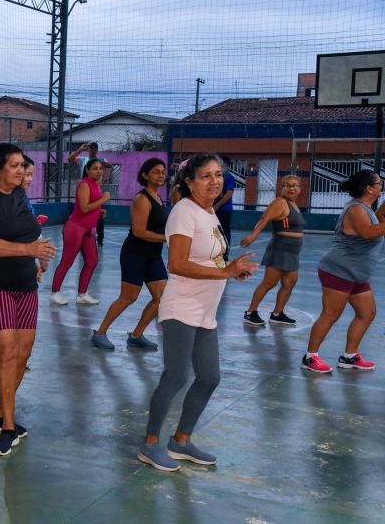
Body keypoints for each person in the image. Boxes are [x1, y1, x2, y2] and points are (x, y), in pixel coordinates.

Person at [137, 154, 258, 472]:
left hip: (205, 310)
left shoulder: (209, 213)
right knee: (176, 376)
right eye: (205, 176)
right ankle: (150, 444)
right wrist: (226, 272)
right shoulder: (183, 212)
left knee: (209, 377)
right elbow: (177, 263)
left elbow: (210, 260)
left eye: (218, 174)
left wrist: (232, 270)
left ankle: (180, 441)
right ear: (189, 182)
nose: (214, 181)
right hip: (182, 307)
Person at [0, 143, 57, 456]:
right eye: (15, 166)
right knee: (6, 349)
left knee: (23, 352)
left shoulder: (19, 195)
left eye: (23, 166)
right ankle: (7, 427)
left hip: (24, 281)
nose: (22, 171)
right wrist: (28, 251)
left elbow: (26, 232)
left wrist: (39, 256)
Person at [302, 170, 385, 374]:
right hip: (339, 269)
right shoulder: (356, 210)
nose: (382, 186)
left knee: (367, 313)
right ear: (369, 188)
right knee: (331, 314)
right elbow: (367, 233)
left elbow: (380, 218)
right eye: (379, 183)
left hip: (357, 272)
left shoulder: (367, 208)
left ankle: (350, 357)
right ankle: (310, 357)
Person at [91, 158, 169, 350]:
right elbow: (139, 232)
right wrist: (166, 238)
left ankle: (136, 335)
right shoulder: (142, 199)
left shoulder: (159, 198)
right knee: (128, 297)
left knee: (162, 297)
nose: (161, 174)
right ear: (145, 175)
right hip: (135, 254)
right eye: (156, 171)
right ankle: (99, 333)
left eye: (163, 171)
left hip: (153, 255)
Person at [241, 175, 305, 326]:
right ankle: (251, 312)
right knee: (269, 283)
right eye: (287, 185)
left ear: (300, 189)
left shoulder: (294, 205)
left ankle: (277, 313)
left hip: (293, 252)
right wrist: (252, 236)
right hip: (280, 249)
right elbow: (264, 219)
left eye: (295, 185)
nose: (291, 188)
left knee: (289, 283)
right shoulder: (280, 202)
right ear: (281, 188)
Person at [50, 158, 110, 305]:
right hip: (75, 228)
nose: (98, 171)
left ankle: (82, 294)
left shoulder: (96, 185)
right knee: (67, 261)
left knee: (92, 261)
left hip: (88, 230)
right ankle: (55, 292)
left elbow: (90, 205)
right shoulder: (84, 184)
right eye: (95, 168)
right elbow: (83, 208)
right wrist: (103, 200)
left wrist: (99, 210)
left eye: (100, 168)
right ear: (87, 170)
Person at [68, 142, 109, 245]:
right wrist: (80, 149)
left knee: (98, 215)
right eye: (91, 148)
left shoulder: (100, 160)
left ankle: (99, 239)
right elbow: (70, 158)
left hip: (96, 191)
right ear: (88, 149)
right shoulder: (83, 160)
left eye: (95, 148)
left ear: (97, 150)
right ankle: (83, 235)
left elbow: (109, 165)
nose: (93, 150)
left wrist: (99, 163)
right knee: (84, 212)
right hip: (86, 190)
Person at [213, 156, 235, 261]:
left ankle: (224, 254)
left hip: (224, 210)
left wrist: (217, 205)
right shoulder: (217, 176)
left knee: (224, 232)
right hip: (215, 209)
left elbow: (229, 194)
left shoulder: (228, 177)